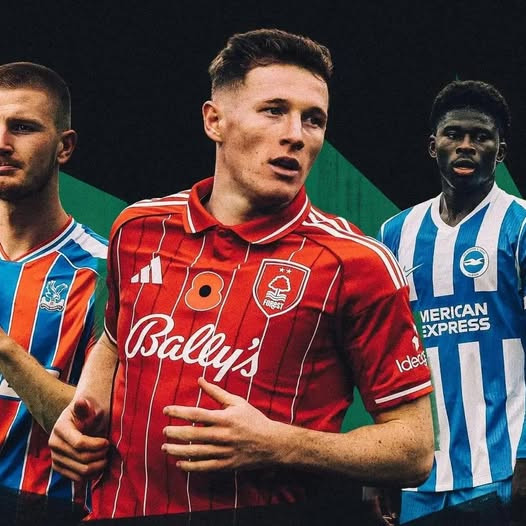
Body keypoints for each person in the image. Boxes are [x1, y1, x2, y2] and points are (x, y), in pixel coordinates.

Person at [49, 28, 434, 522]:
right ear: (215, 120)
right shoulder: (137, 228)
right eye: (274, 110)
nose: (296, 134)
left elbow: (414, 450)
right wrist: (80, 412)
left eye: (313, 119)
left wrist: (279, 444)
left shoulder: (356, 263)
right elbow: (115, 341)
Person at [378, 80, 526, 523]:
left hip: (503, 467)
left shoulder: (519, 225)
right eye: (454, 134)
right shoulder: (395, 233)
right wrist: (380, 464)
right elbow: (385, 356)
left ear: (500, 152)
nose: (466, 145)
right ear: (433, 146)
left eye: (480, 137)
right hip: (421, 472)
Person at [0, 62, 107, 511]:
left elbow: (97, 424)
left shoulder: (104, 270)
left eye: (22, 127)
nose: (2, 143)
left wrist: (5, 351)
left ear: (65, 147)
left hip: (44, 507)